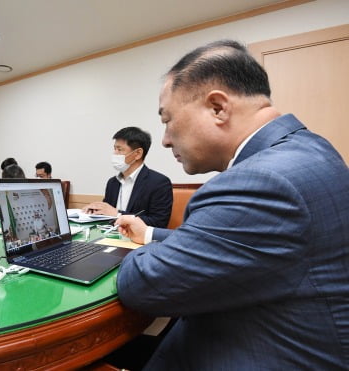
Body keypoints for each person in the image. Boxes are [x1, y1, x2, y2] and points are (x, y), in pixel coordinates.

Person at [115, 40, 349, 369]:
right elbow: (242, 243)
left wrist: (111, 253)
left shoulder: (262, 181)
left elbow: (142, 284)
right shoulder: (306, 149)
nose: (165, 139)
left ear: (218, 108)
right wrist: (152, 235)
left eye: (167, 120)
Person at [82, 127, 172, 227]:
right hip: (109, 237)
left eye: (119, 150)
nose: (115, 154)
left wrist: (118, 214)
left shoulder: (159, 182)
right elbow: (106, 215)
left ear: (137, 153)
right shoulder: (112, 182)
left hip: (138, 241)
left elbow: (158, 222)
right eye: (114, 149)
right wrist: (95, 210)